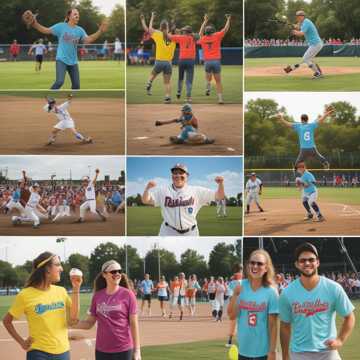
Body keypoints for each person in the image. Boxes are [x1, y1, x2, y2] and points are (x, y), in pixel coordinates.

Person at [279, 242, 355, 360]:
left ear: (317, 262)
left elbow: (350, 316)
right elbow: (284, 326)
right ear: (297, 264)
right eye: (303, 260)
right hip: (299, 354)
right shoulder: (287, 293)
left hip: (328, 352)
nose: (307, 263)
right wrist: (285, 356)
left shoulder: (333, 288)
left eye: (311, 259)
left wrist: (340, 340)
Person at [2, 252, 81, 360]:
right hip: (38, 353)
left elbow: (73, 317)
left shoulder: (61, 291)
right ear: (47, 269)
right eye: (57, 265)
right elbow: (7, 321)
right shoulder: (25, 295)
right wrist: (22, 342)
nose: (61, 269)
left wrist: (76, 289)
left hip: (63, 352)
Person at [23, 8, 108, 89]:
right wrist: (34, 24)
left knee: (76, 86)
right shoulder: (61, 26)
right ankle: (49, 97)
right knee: (59, 82)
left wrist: (100, 31)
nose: (77, 16)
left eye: (78, 14)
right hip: (61, 59)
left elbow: (89, 40)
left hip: (73, 61)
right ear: (69, 16)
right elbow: (46, 30)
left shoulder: (80, 30)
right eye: (75, 14)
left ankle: (68, 101)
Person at [72, 260, 141, 360]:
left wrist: (137, 350)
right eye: (113, 271)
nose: (117, 274)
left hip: (124, 349)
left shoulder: (128, 295)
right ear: (104, 274)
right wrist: (71, 323)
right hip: (102, 350)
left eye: (119, 271)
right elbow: (89, 323)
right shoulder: (98, 296)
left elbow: (134, 324)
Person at [141, 163, 225, 236]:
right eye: (175, 173)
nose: (178, 175)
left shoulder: (196, 191)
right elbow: (146, 200)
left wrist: (221, 184)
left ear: (187, 175)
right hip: (167, 232)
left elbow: (219, 196)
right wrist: (147, 189)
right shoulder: (163, 191)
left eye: (181, 173)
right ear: (172, 175)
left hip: (191, 233)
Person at [228, 249, 279, 360]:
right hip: (243, 351)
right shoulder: (240, 286)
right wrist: (236, 295)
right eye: (252, 262)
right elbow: (232, 316)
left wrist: (273, 351)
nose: (255, 266)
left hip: (263, 353)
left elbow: (273, 325)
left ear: (266, 268)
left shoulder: (271, 292)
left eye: (259, 264)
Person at [140, 12, 176, 103]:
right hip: (168, 63)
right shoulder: (173, 37)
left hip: (159, 61)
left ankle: (149, 82)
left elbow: (148, 29)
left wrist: (149, 18)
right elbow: (175, 29)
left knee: (153, 74)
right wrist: (173, 21)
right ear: (167, 27)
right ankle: (167, 98)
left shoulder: (158, 34)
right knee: (167, 82)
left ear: (160, 27)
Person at [198, 14, 231, 104]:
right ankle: (220, 99)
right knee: (218, 81)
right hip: (216, 61)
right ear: (213, 31)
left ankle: (208, 85)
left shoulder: (203, 38)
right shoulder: (216, 36)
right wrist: (228, 19)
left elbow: (200, 33)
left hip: (207, 62)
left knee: (208, 78)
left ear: (206, 32)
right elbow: (225, 29)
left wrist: (205, 21)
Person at [284, 10, 324, 79]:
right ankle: (319, 72)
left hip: (315, 43)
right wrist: (291, 25)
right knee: (308, 59)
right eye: (297, 16)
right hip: (315, 44)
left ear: (302, 16)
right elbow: (298, 26)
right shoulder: (303, 22)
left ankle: (318, 73)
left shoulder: (306, 22)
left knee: (306, 58)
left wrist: (294, 32)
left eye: (299, 16)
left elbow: (301, 33)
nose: (297, 18)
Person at [167, 25, 197, 102]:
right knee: (189, 80)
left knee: (180, 77)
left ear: (185, 32)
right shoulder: (194, 38)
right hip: (190, 61)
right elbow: (199, 34)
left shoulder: (180, 37)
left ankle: (179, 91)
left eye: (184, 31)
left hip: (182, 60)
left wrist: (171, 29)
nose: (183, 31)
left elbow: (168, 36)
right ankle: (188, 97)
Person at [226, 263, 243, 347]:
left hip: (235, 304)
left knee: (233, 323)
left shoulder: (232, 282)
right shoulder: (246, 281)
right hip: (245, 304)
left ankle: (230, 341)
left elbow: (229, 296)